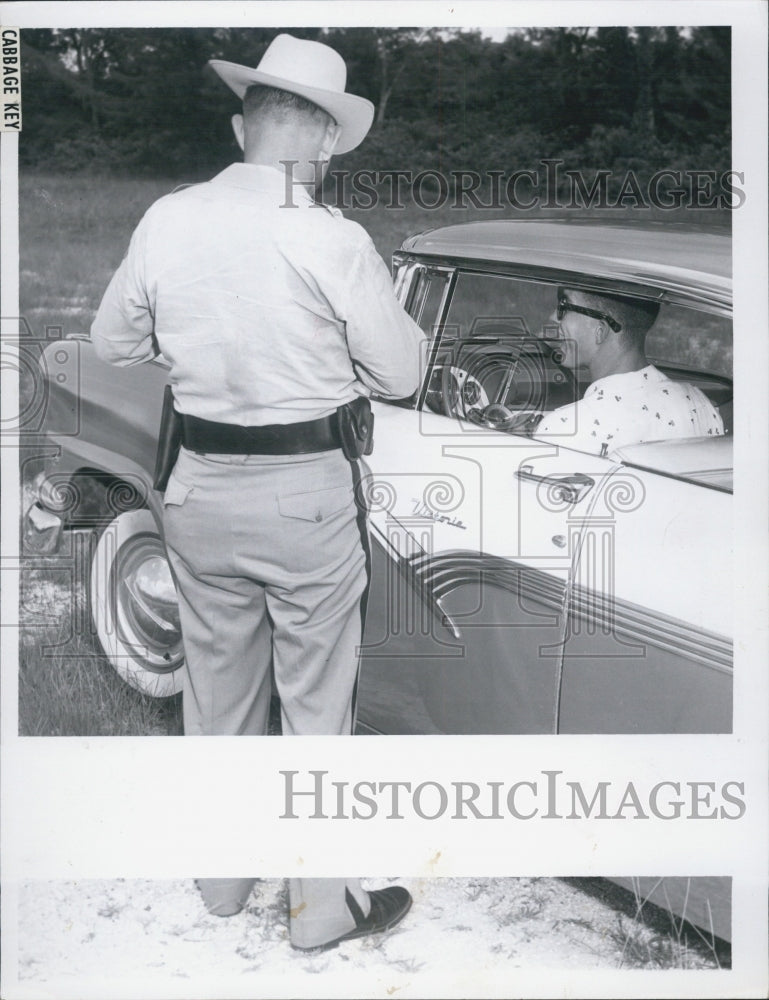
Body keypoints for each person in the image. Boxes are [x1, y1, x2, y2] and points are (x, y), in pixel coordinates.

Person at [91, 33, 424, 951]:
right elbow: (398, 376)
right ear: (320, 142)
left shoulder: (165, 219)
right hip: (305, 492)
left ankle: (224, 879)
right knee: (315, 700)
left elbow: (113, 343)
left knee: (216, 688)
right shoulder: (330, 236)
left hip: (197, 487)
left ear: (243, 125)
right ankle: (319, 906)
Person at [535, 287, 724, 455]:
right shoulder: (701, 404)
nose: (553, 316)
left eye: (564, 305)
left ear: (600, 331)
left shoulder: (565, 428)